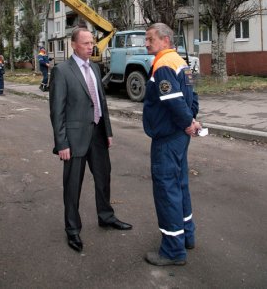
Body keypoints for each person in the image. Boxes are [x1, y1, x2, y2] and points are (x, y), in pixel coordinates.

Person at [49, 27, 132, 253]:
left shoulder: (95, 68)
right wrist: (62, 143)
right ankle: (73, 230)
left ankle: (106, 216)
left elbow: (101, 103)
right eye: (85, 43)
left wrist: (108, 131)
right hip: (74, 140)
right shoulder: (62, 71)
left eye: (91, 42)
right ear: (74, 45)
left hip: (97, 135)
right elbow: (57, 112)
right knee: (73, 186)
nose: (90, 46)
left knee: (104, 178)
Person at [143, 23, 201, 267]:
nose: (146, 43)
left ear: (164, 40)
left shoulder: (163, 63)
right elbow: (193, 96)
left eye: (150, 39)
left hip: (167, 138)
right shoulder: (181, 61)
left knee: (167, 190)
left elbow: (174, 100)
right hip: (179, 136)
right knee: (180, 184)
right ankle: (187, 236)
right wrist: (192, 120)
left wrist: (188, 121)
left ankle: (172, 251)